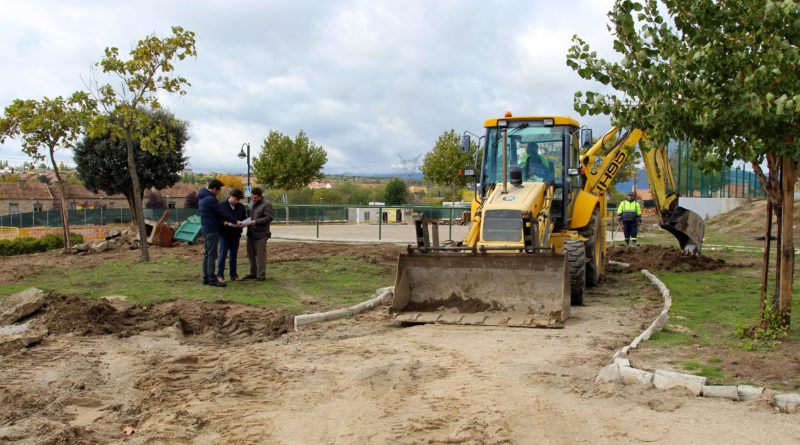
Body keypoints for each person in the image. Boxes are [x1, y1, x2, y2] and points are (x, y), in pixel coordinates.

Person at [198, 179, 241, 287]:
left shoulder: (202, 198)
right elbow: (221, 213)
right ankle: (212, 278)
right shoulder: (211, 199)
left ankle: (206, 277)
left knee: (207, 254)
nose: (219, 193)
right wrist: (235, 221)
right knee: (212, 255)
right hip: (212, 229)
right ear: (213, 189)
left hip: (205, 229)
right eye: (218, 190)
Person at [217, 188, 247, 283]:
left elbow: (244, 218)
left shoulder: (241, 207)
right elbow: (217, 219)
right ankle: (220, 275)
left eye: (238, 200)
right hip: (224, 234)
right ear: (231, 196)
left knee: (233, 256)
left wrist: (243, 224)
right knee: (222, 255)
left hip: (236, 235)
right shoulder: (221, 206)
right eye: (236, 199)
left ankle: (233, 275)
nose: (237, 201)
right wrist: (224, 223)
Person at [244, 187, 273, 281]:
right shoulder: (251, 204)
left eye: (255, 198)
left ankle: (261, 275)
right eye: (252, 197)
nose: (253, 199)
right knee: (251, 254)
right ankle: (253, 273)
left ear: (260, 196)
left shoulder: (267, 204)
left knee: (261, 255)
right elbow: (248, 216)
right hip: (250, 233)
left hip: (261, 233)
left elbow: (269, 217)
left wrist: (256, 221)